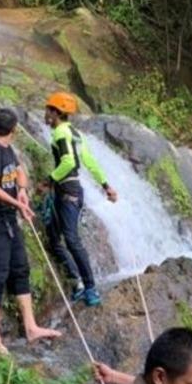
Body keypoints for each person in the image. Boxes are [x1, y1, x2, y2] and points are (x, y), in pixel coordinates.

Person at [0, 108, 61, 354]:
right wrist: (17, 204)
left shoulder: (6, 149)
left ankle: (31, 326)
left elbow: (19, 170)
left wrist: (21, 191)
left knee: (20, 269)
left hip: (9, 220)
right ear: (14, 130)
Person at [44, 91, 118, 306]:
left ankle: (90, 287)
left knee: (71, 240)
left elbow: (68, 162)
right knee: (54, 238)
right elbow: (90, 162)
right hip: (69, 192)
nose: (45, 113)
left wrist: (48, 180)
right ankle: (77, 283)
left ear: (55, 113)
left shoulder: (60, 133)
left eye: (48, 110)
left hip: (68, 193)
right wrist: (106, 186)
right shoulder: (76, 134)